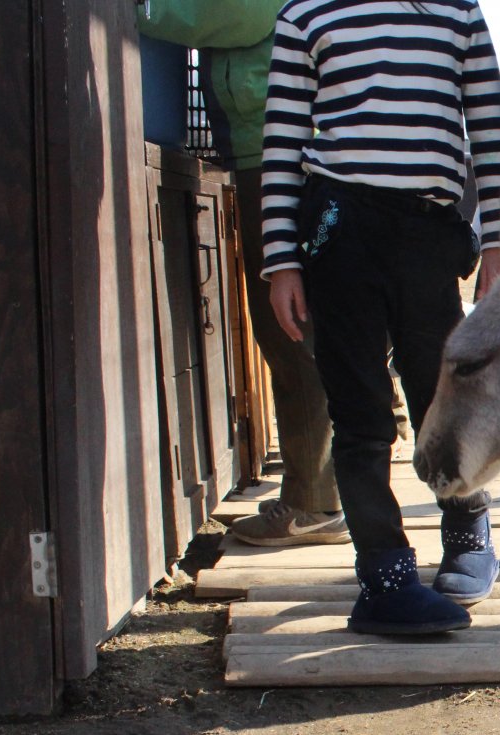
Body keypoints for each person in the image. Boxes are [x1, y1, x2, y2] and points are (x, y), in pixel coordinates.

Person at [262, 0, 500, 633]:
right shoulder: (305, 14)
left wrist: (496, 243)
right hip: (338, 227)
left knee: (442, 390)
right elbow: (284, 139)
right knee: (359, 408)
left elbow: (488, 125)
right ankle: (384, 575)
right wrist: (282, 261)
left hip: (429, 228)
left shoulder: (456, 11)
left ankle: (467, 526)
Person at [137, 0, 347, 548]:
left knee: (289, 328)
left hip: (279, 147)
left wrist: (136, 12)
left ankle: (313, 501)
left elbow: (234, 12)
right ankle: (320, 491)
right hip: (278, 142)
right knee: (297, 325)